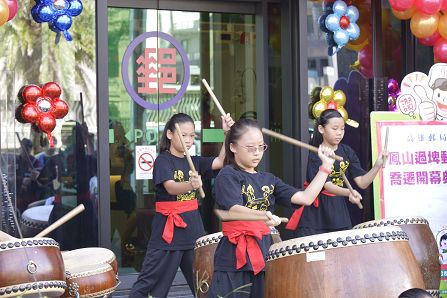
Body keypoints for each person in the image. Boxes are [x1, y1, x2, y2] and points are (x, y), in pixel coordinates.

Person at [208, 118, 335, 298]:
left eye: (261, 147)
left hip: (265, 250)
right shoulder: (227, 175)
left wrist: (325, 168)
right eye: (251, 148)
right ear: (233, 147)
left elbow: (305, 198)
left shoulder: (269, 179)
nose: (257, 153)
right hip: (234, 255)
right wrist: (263, 215)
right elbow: (234, 209)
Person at [129, 112, 234, 298]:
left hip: (193, 229)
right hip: (167, 231)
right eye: (183, 135)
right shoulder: (163, 160)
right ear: (170, 134)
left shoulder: (194, 161)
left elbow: (220, 161)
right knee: (150, 280)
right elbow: (170, 187)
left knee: (204, 280)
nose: (188, 140)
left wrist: (227, 134)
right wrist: (190, 185)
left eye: (192, 135)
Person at [286, 109, 387, 238]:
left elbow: (362, 182)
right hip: (317, 212)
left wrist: (377, 166)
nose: (339, 133)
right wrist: (348, 192)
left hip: (338, 210)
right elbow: (326, 185)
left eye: (342, 129)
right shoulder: (317, 153)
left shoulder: (347, 152)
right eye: (335, 128)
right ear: (322, 129)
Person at [15, 138, 42, 212]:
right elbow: (10, 176)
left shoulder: (36, 161)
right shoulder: (15, 160)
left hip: (32, 196)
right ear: (20, 148)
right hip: (18, 196)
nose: (25, 151)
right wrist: (22, 179)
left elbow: (41, 179)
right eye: (24, 149)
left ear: (30, 149)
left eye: (28, 148)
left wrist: (35, 177)